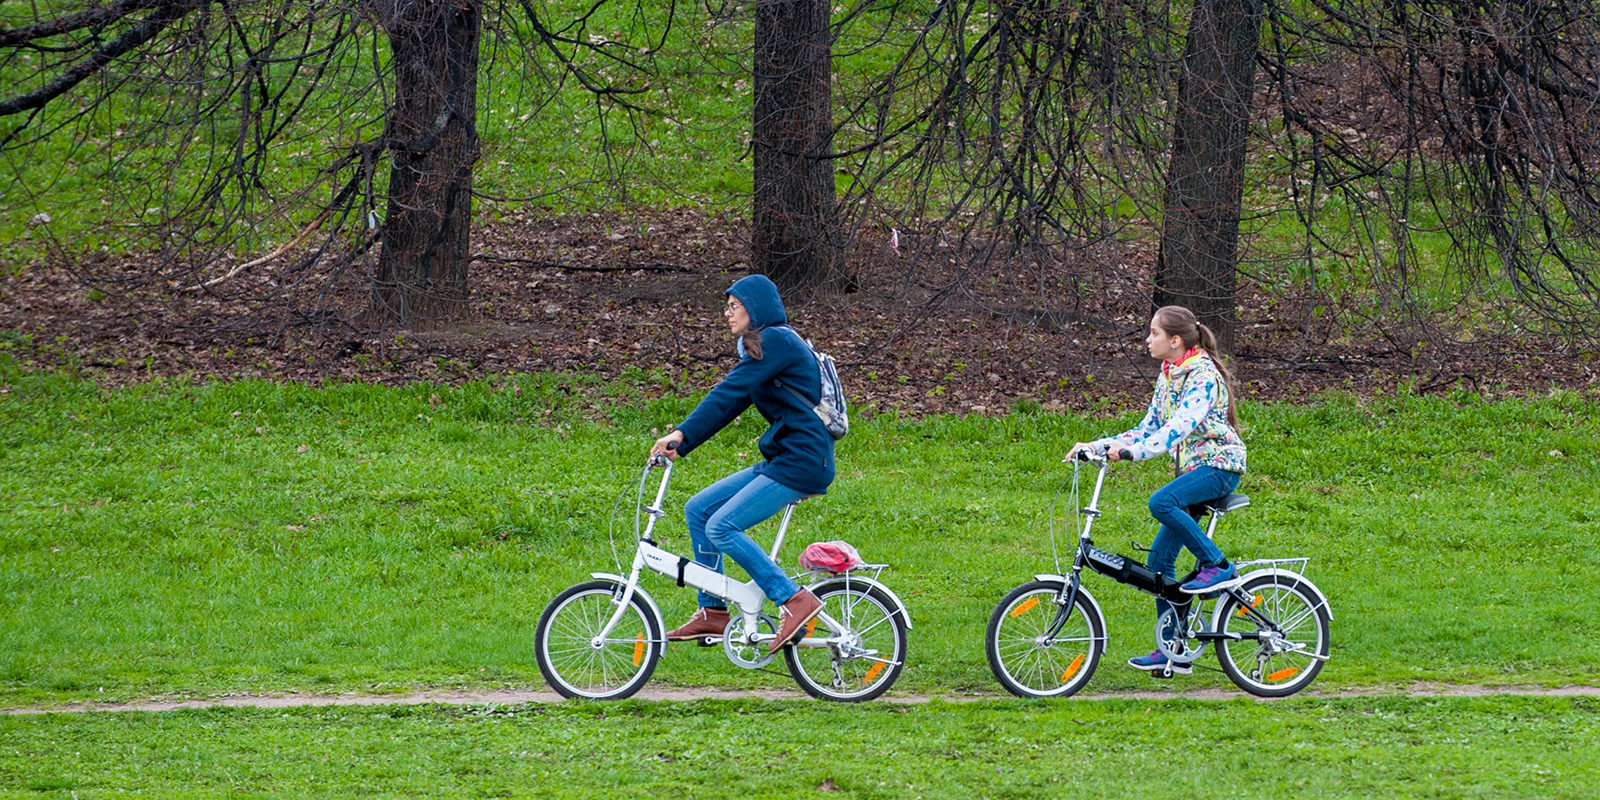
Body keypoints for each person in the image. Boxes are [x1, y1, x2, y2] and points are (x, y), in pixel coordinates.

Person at [650, 274, 832, 654]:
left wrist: (680, 433)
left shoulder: (777, 340)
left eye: (735, 306)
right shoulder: (765, 348)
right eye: (727, 306)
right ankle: (712, 611)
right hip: (785, 457)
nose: (727, 313)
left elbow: (727, 391)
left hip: (801, 461)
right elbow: (732, 403)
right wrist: (683, 443)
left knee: (722, 525)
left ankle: (792, 599)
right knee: (698, 510)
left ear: (756, 307)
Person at [1066, 305, 1248, 676]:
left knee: (1161, 501)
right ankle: (1173, 647)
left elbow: (1179, 427)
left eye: (1153, 333)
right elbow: (1148, 427)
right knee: (1159, 563)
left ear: (1175, 340)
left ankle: (1220, 566)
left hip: (1220, 467)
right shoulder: (1169, 374)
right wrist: (1098, 446)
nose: (1148, 340)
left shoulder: (1202, 377)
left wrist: (1135, 454)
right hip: (1196, 469)